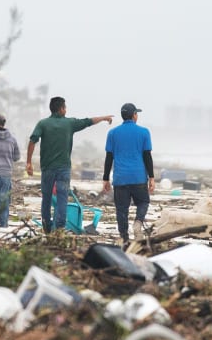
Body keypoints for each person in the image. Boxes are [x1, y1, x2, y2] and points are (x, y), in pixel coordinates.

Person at [26, 96, 113, 234]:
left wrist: (29, 162)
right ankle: (60, 229)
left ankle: (47, 227)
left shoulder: (42, 124)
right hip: (63, 169)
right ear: (61, 109)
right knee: (62, 198)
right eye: (65, 107)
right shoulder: (70, 123)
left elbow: (32, 141)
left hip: (47, 168)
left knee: (46, 198)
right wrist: (103, 118)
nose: (66, 110)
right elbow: (88, 121)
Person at [102, 102, 155, 247]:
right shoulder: (144, 132)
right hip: (138, 177)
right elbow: (147, 156)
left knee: (121, 209)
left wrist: (105, 178)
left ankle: (124, 239)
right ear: (134, 115)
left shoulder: (112, 133)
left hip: (120, 178)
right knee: (143, 202)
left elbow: (109, 157)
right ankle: (138, 222)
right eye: (136, 113)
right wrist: (151, 177)